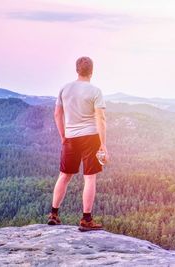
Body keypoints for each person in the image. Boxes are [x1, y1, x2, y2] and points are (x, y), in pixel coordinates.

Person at [47, 56, 109, 232]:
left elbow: (57, 114)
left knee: (64, 175)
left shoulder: (64, 89)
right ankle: (86, 219)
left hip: (71, 137)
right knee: (89, 177)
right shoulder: (95, 91)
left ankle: (53, 214)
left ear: (76, 70)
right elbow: (101, 118)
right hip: (91, 137)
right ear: (92, 71)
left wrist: (63, 136)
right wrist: (103, 144)